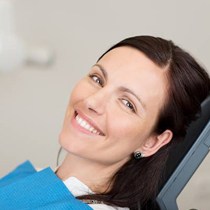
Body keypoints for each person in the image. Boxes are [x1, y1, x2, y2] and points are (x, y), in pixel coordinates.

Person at [1, 35, 210, 210]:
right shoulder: (33, 176)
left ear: (152, 142)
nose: (92, 101)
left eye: (128, 104)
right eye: (97, 79)